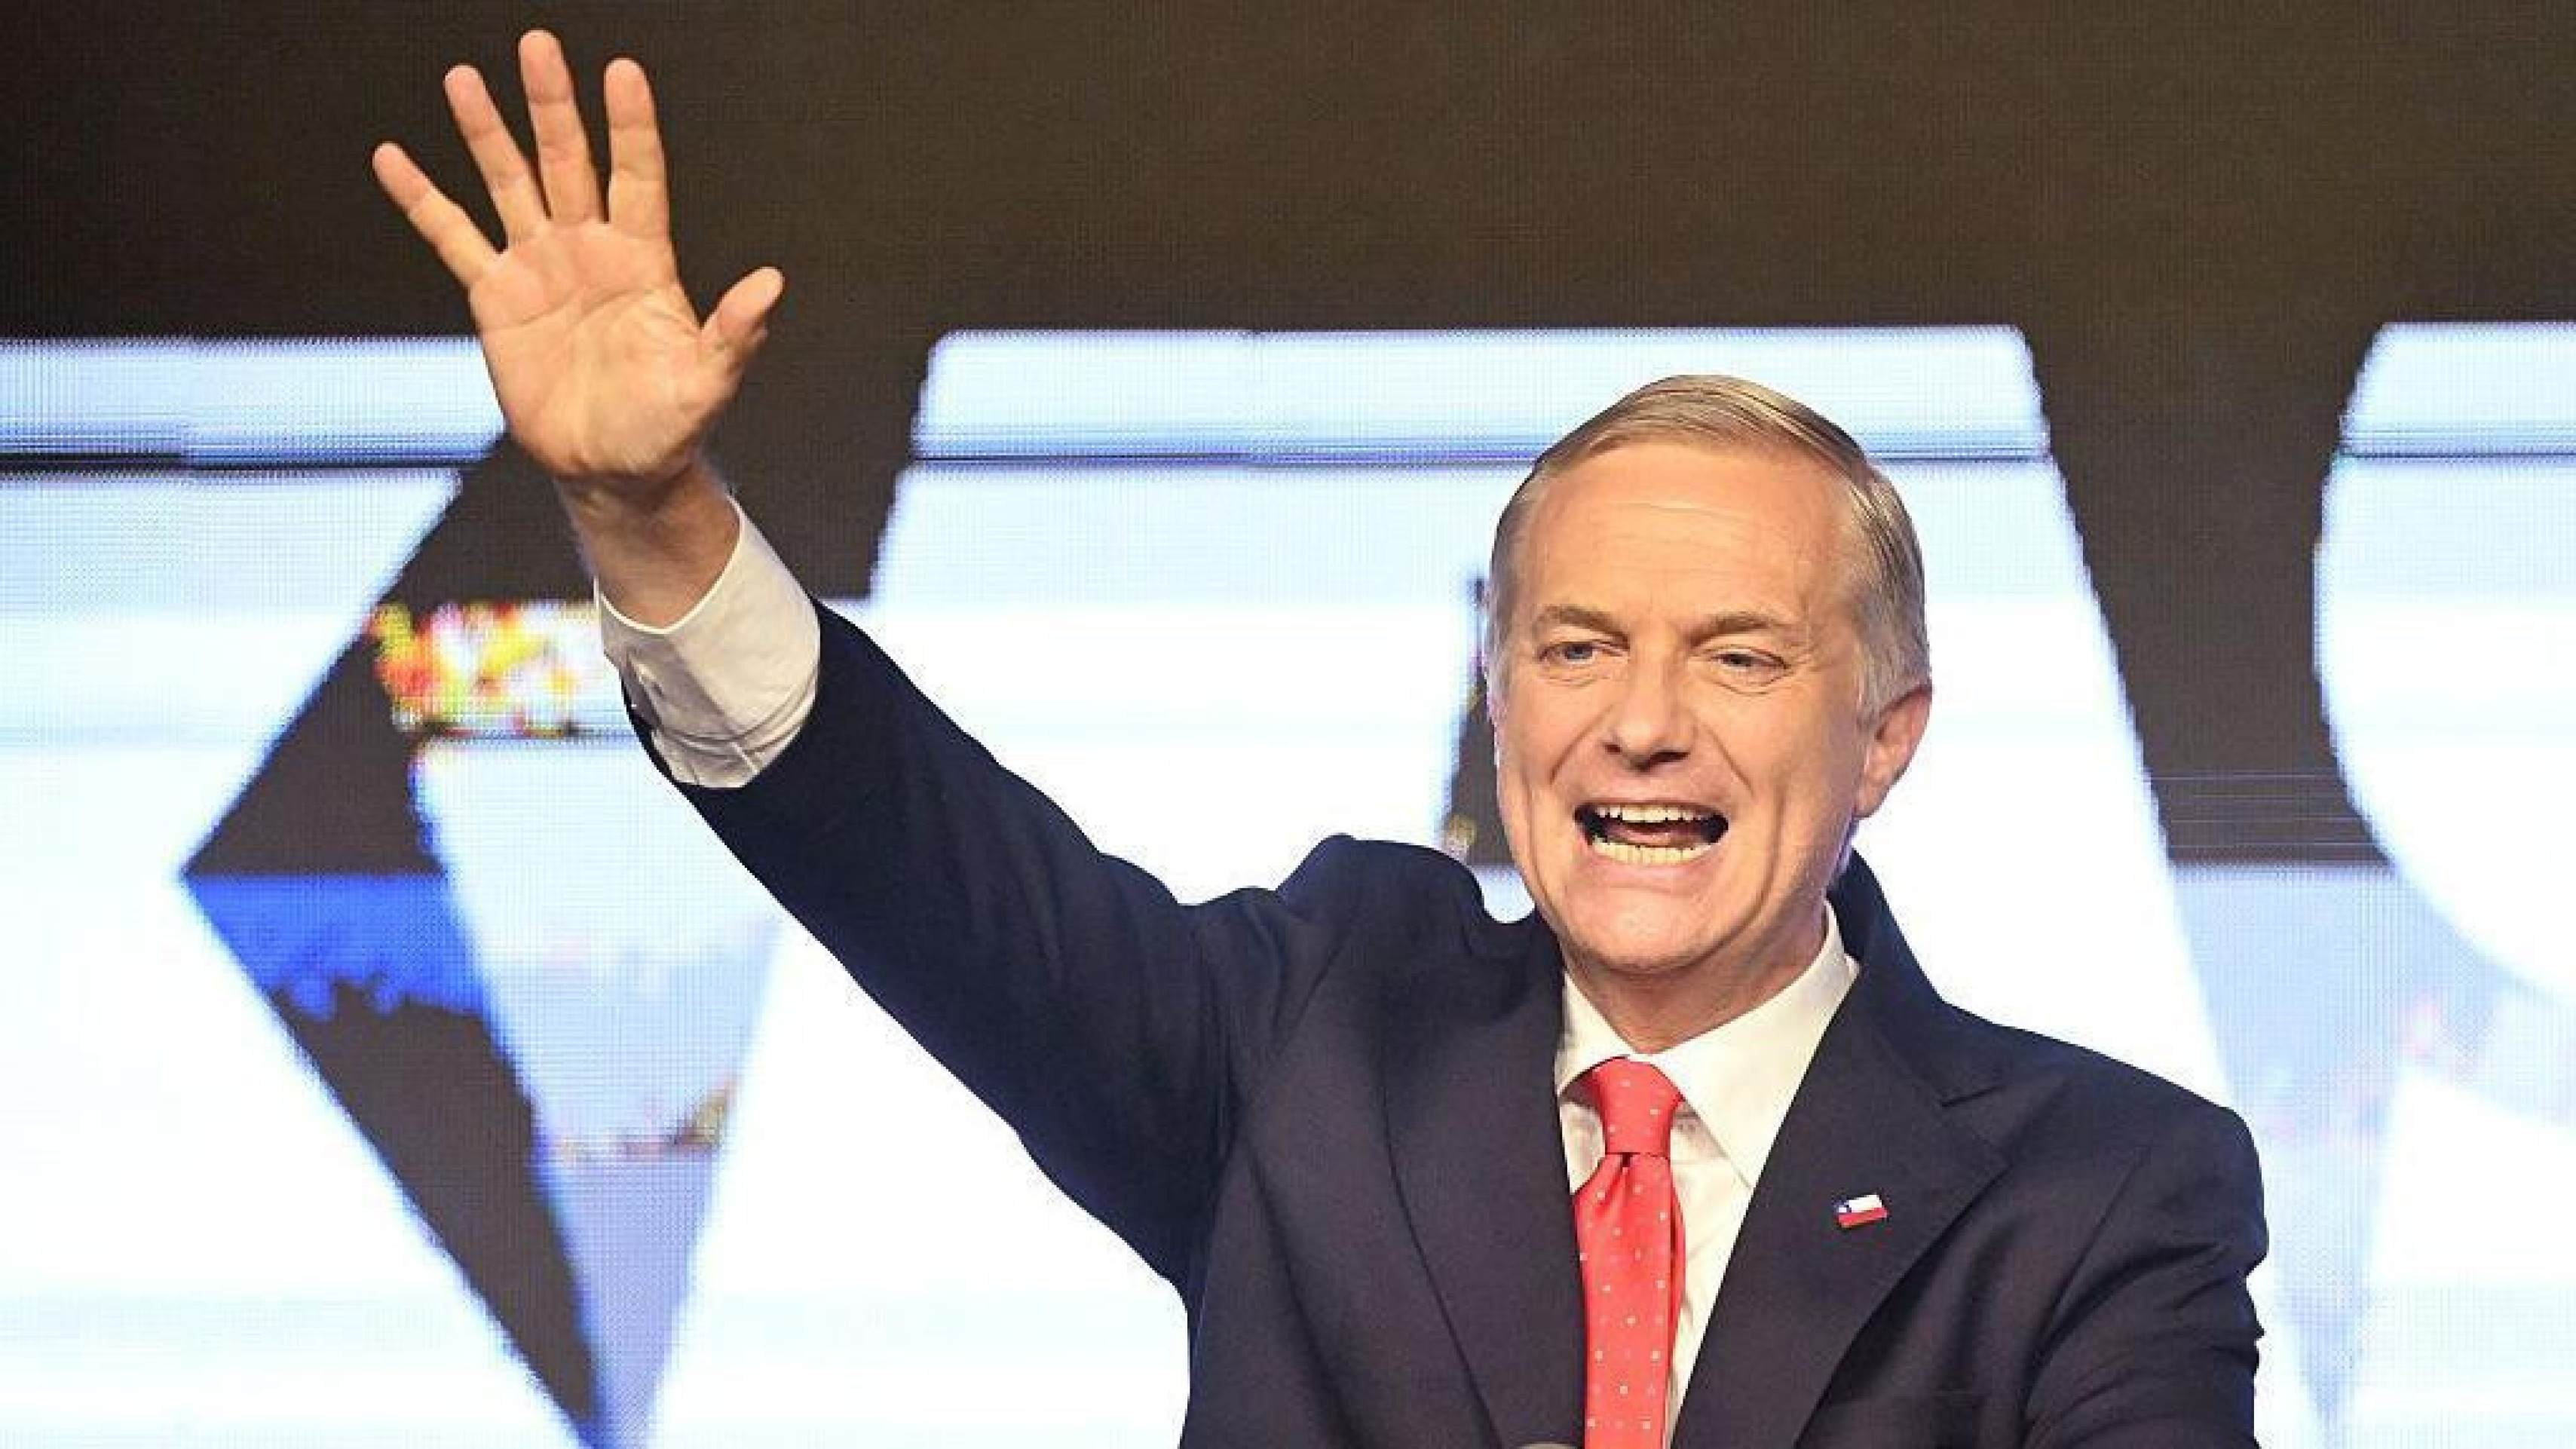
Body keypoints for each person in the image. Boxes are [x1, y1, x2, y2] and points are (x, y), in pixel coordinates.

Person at [376, 31, 2267, 1448]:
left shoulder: (2101, 1189)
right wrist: (651, 518)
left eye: (1738, 656)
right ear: (1501, 694)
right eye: (1577, 646)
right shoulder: (1317, 1035)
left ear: (1884, 738)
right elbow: (942, 880)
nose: (1640, 722)